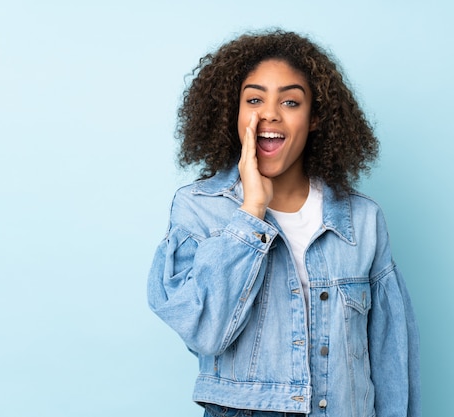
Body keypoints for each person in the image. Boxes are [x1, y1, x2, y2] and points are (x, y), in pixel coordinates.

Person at [147, 29, 420, 417]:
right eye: (254, 99)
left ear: (314, 120)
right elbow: (206, 332)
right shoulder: (199, 209)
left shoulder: (363, 220)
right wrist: (252, 209)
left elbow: (393, 358)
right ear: (235, 114)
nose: (270, 113)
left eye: (290, 101)